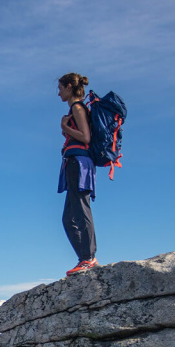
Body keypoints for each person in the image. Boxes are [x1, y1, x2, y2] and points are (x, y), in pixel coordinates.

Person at [57, 72, 98, 276]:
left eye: (60, 88)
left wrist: (65, 127)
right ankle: (85, 258)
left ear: (69, 87)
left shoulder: (77, 107)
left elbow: (86, 137)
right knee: (68, 218)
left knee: (81, 210)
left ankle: (89, 258)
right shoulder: (76, 109)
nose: (58, 93)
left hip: (79, 163)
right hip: (75, 162)